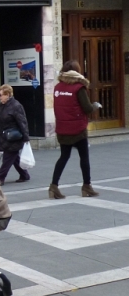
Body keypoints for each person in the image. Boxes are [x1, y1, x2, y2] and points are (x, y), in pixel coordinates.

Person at [49, 60, 102, 199]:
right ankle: (87, 186)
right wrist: (95, 105)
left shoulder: (58, 87)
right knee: (84, 157)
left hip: (62, 128)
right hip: (78, 129)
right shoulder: (79, 87)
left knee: (64, 156)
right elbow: (87, 108)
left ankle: (53, 186)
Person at [0, 84, 31, 185]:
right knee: (14, 158)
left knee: (7, 158)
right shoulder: (2, 106)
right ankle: (24, 175)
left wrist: (26, 137)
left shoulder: (16, 106)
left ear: (8, 94)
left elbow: (22, 122)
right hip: (4, 136)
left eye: (1, 95)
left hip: (13, 137)